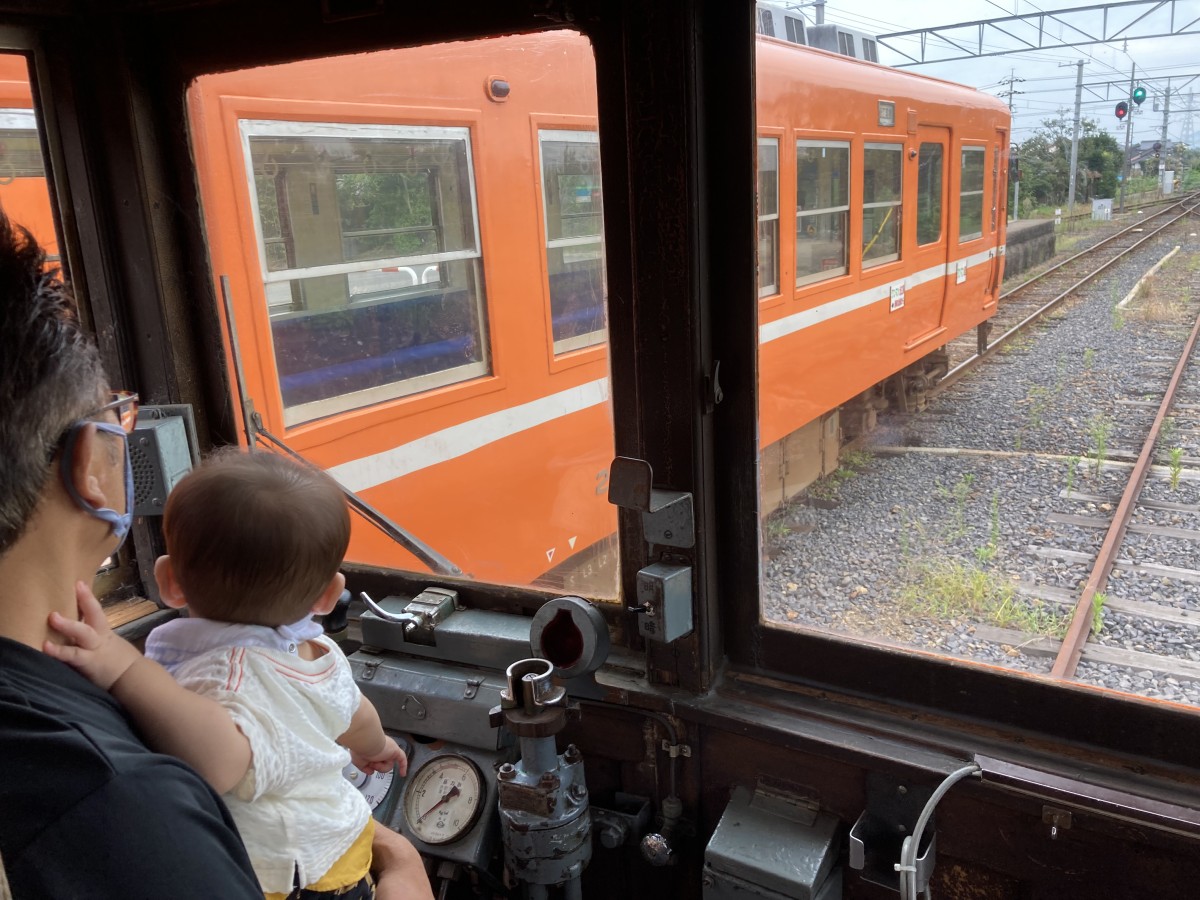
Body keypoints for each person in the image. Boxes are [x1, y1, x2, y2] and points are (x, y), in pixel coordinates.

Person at [0, 209, 428, 900]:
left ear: (169, 580)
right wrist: (406, 878)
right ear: (92, 464)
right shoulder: (120, 805)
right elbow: (302, 737)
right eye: (122, 419)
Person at [46, 449, 427, 900]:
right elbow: (354, 714)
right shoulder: (318, 651)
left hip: (287, 880)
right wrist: (376, 746)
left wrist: (123, 666)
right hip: (340, 850)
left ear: (169, 581)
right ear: (329, 596)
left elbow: (222, 763)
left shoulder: (225, 675)